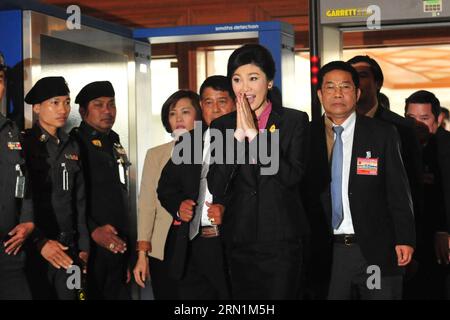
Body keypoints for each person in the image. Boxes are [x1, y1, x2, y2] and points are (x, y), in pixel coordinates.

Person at [206, 44, 310, 299]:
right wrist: (238, 138)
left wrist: (255, 135)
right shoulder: (222, 126)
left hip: (281, 241)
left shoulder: (294, 121)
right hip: (238, 238)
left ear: (270, 82)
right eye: (237, 79)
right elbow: (217, 185)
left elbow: (291, 176)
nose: (245, 88)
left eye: (253, 78)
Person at [307, 61, 415, 300]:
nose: (337, 93)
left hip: (374, 249)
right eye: (330, 87)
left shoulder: (382, 133)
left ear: (357, 93)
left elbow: (398, 190)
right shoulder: (305, 135)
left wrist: (405, 238)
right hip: (326, 251)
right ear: (319, 94)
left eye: (345, 87)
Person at [157, 77, 235, 299]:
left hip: (228, 244)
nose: (216, 109)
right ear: (201, 106)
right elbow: (166, 188)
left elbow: (258, 195)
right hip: (192, 244)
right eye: (208, 102)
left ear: (234, 103)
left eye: (222, 101)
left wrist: (227, 211)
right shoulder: (189, 141)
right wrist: (178, 205)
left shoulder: (247, 140)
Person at [22, 76, 88, 300]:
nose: (64, 109)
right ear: (37, 107)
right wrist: (38, 242)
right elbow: (16, 204)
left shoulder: (72, 144)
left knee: (75, 296)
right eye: (55, 102)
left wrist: (83, 246)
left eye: (67, 102)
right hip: (38, 248)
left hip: (70, 248)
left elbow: (79, 201)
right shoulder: (24, 145)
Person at [133, 89, 202, 299]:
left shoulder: (211, 148)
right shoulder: (156, 154)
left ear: (198, 115)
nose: (178, 118)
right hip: (164, 246)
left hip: (201, 246)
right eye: (172, 113)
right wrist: (142, 253)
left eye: (185, 112)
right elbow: (146, 204)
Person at [347, 56, 423, 234]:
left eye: (362, 75)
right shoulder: (335, 126)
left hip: (386, 230)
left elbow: (412, 186)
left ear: (378, 83)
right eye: (351, 77)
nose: (356, 81)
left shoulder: (401, 128)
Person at [71, 81, 131, 300]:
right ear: (83, 111)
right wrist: (93, 230)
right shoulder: (75, 143)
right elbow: (71, 198)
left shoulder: (114, 141)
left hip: (118, 244)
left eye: (111, 104)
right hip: (90, 245)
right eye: (98, 105)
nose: (107, 111)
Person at [405, 90, 450, 299]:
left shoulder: (445, 147)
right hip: (409, 241)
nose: (417, 124)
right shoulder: (397, 145)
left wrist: (443, 230)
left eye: (424, 118)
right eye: (411, 118)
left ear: (439, 118)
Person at [0, 51, 35, 300]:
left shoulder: (11, 131)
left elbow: (24, 181)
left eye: (0, 79)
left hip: (10, 249)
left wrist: (28, 221)